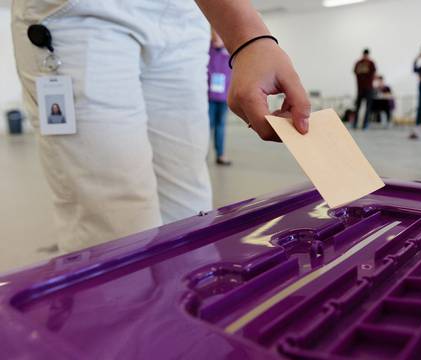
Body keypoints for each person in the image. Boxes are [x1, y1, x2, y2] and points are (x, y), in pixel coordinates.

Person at [12, 0, 310, 252]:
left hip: (182, 15)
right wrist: (249, 37)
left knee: (189, 213)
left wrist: (249, 40)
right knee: (117, 227)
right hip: (83, 13)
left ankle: (184, 317)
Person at [207, 29, 232, 166]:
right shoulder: (206, 49)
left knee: (220, 126)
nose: (217, 36)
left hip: (224, 96)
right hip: (208, 96)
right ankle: (202, 155)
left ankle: (220, 154)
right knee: (207, 126)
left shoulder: (228, 51)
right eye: (214, 32)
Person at [353, 48, 377, 130]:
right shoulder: (358, 63)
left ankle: (365, 124)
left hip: (369, 89)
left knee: (368, 107)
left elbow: (374, 74)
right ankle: (355, 123)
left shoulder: (371, 63)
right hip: (360, 89)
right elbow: (355, 72)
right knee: (357, 107)